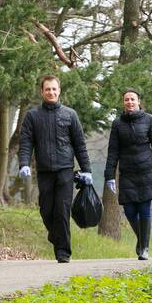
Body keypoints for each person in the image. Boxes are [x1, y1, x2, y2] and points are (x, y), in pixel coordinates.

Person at [17, 75, 93, 263]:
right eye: (47, 89)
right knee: (46, 210)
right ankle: (55, 234)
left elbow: (80, 145)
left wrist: (87, 170)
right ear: (42, 92)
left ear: (59, 91)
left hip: (65, 170)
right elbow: (26, 142)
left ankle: (63, 252)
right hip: (44, 171)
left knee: (62, 210)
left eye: (54, 89)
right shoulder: (33, 116)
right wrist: (24, 163)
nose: (51, 92)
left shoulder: (70, 115)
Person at [104, 88, 152, 260]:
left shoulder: (149, 119)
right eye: (126, 99)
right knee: (129, 211)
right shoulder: (117, 124)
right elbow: (113, 151)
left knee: (144, 209)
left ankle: (144, 248)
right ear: (123, 102)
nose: (129, 102)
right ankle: (141, 239)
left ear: (138, 102)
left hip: (147, 171)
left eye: (132, 99)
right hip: (127, 172)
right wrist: (109, 175)